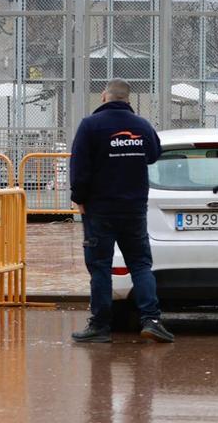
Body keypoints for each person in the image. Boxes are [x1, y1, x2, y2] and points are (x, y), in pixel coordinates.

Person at [69, 79, 173, 344]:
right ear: (128, 99)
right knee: (140, 264)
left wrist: (79, 198)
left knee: (100, 267)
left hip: (99, 210)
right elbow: (154, 154)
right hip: (133, 209)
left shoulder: (90, 126)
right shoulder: (142, 125)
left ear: (104, 96)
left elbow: (79, 167)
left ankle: (100, 326)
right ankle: (151, 320)